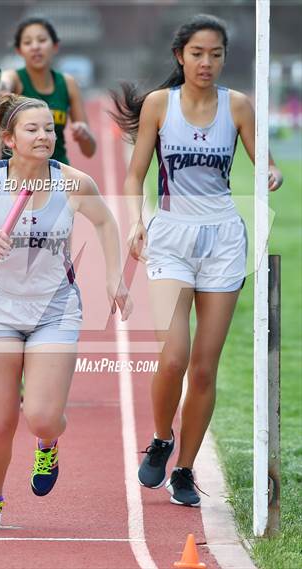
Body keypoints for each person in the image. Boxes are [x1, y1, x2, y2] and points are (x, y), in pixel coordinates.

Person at [0, 94, 132, 529]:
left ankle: (48, 443)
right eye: (32, 129)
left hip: (54, 310)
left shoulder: (73, 182)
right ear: (8, 140)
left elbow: (105, 222)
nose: (44, 136)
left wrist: (116, 277)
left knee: (41, 416)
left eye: (49, 129)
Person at [111, 14, 283, 507]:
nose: (206, 63)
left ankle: (183, 468)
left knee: (204, 370)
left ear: (225, 58)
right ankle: (162, 437)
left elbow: (264, 161)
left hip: (224, 240)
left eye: (216, 54)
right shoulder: (160, 106)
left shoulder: (240, 106)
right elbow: (134, 174)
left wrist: (270, 173)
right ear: (179, 57)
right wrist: (138, 219)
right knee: (174, 357)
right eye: (197, 54)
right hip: (169, 237)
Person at [0, 16, 96, 163]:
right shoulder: (15, 79)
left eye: (42, 40)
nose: (35, 47)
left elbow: (89, 151)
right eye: (27, 42)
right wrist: (3, 88)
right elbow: (4, 82)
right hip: (17, 174)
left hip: (56, 170)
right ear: (19, 50)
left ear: (55, 46)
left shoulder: (68, 83)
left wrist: (84, 134)